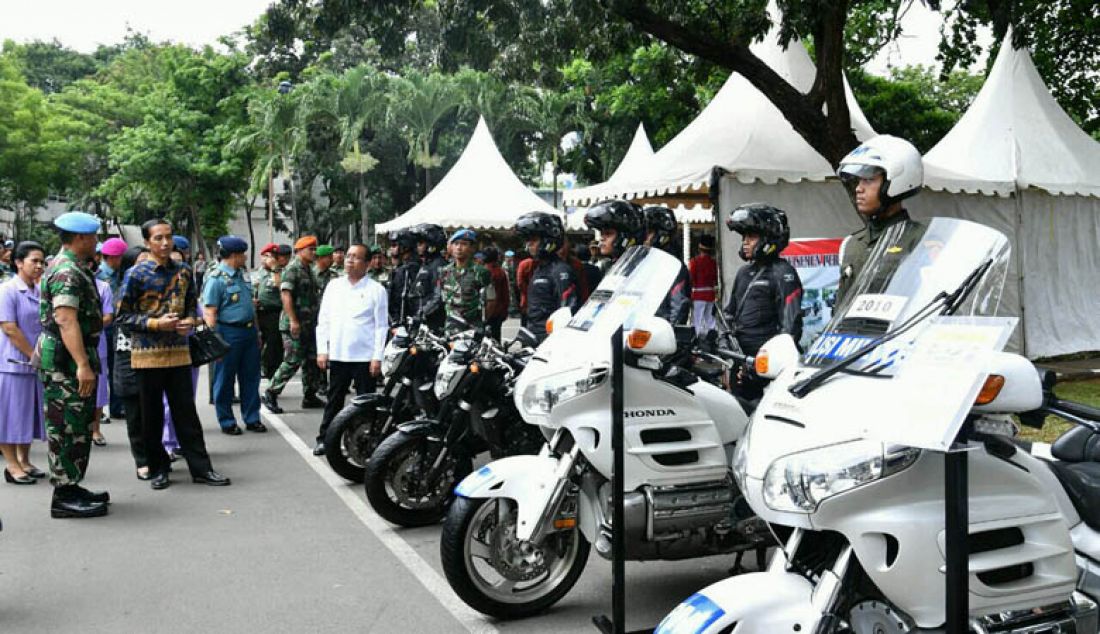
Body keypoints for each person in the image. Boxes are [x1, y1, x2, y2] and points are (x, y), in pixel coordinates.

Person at [116, 218, 230, 491]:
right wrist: (156, 324)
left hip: (179, 353)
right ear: (147, 242)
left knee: (186, 414)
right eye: (158, 238)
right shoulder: (136, 274)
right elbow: (123, 316)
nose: (165, 242)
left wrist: (189, 322)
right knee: (151, 416)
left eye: (168, 236)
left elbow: (193, 307)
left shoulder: (184, 271)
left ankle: (202, 469)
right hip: (147, 356)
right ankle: (158, 470)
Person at [37, 212, 110, 517]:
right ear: (81, 238)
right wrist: (82, 364)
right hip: (65, 362)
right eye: (94, 237)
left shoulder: (73, 266)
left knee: (78, 425)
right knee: (66, 425)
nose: (97, 242)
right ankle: (64, 497)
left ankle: (71, 485)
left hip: (71, 357)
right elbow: (66, 319)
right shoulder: (66, 271)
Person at [723, 203, 803, 401]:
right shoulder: (743, 273)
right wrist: (721, 339)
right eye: (743, 237)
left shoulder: (783, 273)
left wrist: (762, 367)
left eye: (751, 237)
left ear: (768, 238)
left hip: (766, 367)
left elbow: (790, 329)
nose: (745, 243)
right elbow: (729, 313)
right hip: (739, 360)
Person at [313, 244, 387, 455]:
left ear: (367, 263)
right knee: (334, 400)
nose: (349, 260)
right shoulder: (334, 286)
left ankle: (362, 443)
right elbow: (324, 320)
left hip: (365, 356)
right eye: (348, 256)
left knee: (365, 404)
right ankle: (325, 439)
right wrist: (322, 350)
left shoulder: (376, 290)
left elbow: (381, 326)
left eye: (356, 257)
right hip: (338, 353)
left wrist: (377, 357)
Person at [835, 134, 926, 304]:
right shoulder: (852, 244)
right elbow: (840, 308)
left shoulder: (921, 240)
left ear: (896, 183)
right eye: (859, 180)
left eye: (869, 180)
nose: (858, 189)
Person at [203, 236, 264, 436]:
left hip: (247, 332)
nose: (245, 257)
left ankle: (252, 418)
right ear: (234, 255)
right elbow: (210, 312)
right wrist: (214, 342)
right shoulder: (216, 279)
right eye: (243, 254)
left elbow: (249, 307)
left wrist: (256, 331)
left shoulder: (242, 275)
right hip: (227, 332)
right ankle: (227, 420)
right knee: (225, 378)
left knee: (251, 377)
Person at [0, 241, 47, 485]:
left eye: (42, 261)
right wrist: (32, 355)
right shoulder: (7, 290)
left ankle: (25, 460)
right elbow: (9, 327)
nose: (39, 266)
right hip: (13, 363)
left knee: (27, 414)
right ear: (18, 262)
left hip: (35, 363)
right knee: (10, 415)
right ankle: (12, 465)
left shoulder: (39, 291)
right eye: (34, 261)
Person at [262, 235, 323, 414]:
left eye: (314, 249)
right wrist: (294, 321)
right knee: (292, 360)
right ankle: (271, 392)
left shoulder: (309, 269)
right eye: (310, 249)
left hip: (309, 324)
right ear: (300, 251)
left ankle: (310, 395)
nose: (314, 252)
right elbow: (286, 295)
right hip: (293, 324)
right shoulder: (293, 269)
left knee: (311, 359)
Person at [113, 246, 153, 480]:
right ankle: (142, 460)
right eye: (141, 262)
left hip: (156, 356)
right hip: (128, 356)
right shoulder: (123, 291)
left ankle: (158, 455)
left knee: (154, 411)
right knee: (135, 413)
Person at [515, 212, 578, 342]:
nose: (529, 245)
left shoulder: (560, 270)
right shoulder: (540, 269)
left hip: (548, 339)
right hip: (533, 335)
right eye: (527, 241)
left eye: (533, 240)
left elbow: (567, 309)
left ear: (547, 240)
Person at [438, 228, 494, 335]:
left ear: (472, 248)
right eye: (456, 244)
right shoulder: (444, 271)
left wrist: (483, 321)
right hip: (450, 328)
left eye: (464, 244)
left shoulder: (481, 272)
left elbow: (491, 300)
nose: (459, 248)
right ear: (451, 247)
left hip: (472, 328)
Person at [643, 205, 692, 325]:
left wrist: (671, 333)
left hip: (659, 334)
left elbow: (679, 306)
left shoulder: (673, 266)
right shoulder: (646, 262)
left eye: (649, 232)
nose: (644, 238)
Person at [97, 237, 127, 419]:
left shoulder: (119, 273)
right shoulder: (99, 275)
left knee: (116, 366)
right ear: (113, 257)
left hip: (116, 324)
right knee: (102, 368)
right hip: (103, 325)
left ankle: (117, 406)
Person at [253, 243, 285, 379]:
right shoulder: (257, 273)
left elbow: (281, 287)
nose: (268, 259)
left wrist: (274, 269)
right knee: (257, 343)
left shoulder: (280, 272)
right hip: (258, 313)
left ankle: (272, 373)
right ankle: (259, 367)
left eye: (272, 257)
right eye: (266, 256)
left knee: (274, 345)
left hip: (274, 313)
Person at [585, 199, 646, 267]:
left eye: (608, 234)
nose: (601, 238)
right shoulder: (607, 265)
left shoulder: (642, 265)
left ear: (625, 237)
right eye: (601, 233)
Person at [411, 223, 448, 330]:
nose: (418, 246)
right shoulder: (426, 264)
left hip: (433, 323)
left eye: (421, 243)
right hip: (422, 321)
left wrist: (422, 313)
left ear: (431, 245)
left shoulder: (439, 265)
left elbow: (438, 297)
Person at [91, 276, 113, 447]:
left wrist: (86, 327)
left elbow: (108, 316)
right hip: (68, 342)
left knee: (98, 388)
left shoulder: (103, 287)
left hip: (97, 342)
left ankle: (96, 429)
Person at [688, 234, 720, 336]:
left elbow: (691, 279)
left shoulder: (694, 262)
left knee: (697, 320)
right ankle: (714, 337)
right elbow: (715, 279)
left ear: (699, 247)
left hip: (698, 295)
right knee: (710, 319)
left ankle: (696, 340)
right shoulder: (713, 263)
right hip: (710, 295)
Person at [387, 229, 420, 324]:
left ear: (404, 247)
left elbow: (402, 299)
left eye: (394, 245)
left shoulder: (410, 268)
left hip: (406, 320)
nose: (391, 249)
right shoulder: (401, 267)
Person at [482, 247, 510, 342]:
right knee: (496, 339)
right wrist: (505, 310)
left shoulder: (484, 272)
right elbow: (506, 293)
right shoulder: (501, 271)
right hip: (499, 311)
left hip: (486, 311)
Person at [502, 250, 519, 317]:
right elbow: (507, 276)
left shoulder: (512, 264)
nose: (511, 258)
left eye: (512, 257)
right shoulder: (505, 265)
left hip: (512, 283)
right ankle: (511, 312)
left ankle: (513, 310)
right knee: (510, 298)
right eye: (509, 257)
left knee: (513, 297)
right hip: (508, 284)